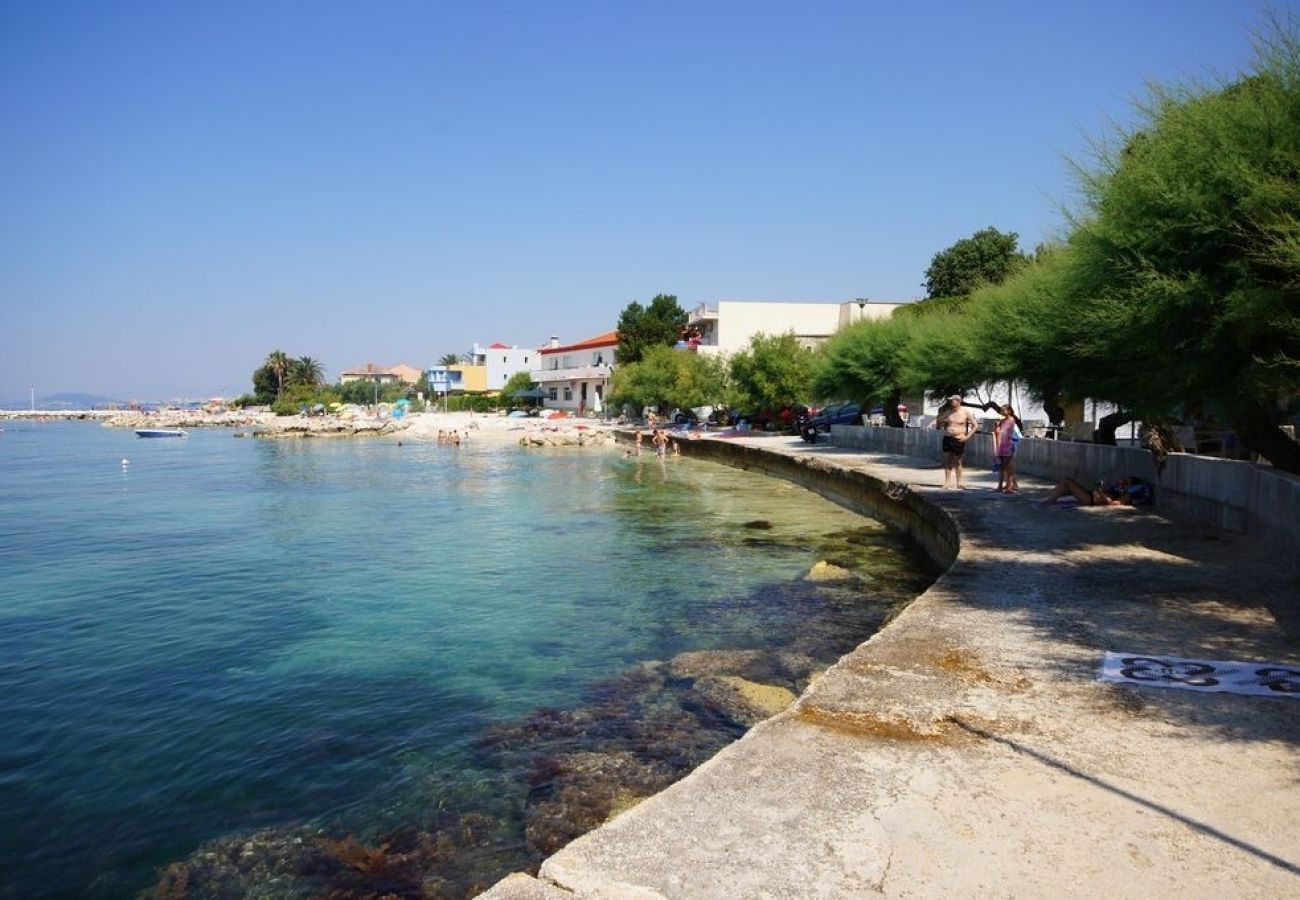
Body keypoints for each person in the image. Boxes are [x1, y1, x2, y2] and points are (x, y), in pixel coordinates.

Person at [934, 395, 980, 489]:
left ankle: (959, 482)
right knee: (947, 461)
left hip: (959, 438)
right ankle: (947, 482)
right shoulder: (948, 412)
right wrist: (942, 419)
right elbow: (939, 420)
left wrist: (967, 437)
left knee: (958, 461)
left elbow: (975, 426)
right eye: (950, 401)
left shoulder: (965, 412)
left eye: (953, 401)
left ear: (958, 401)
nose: (951, 402)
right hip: (947, 437)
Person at [1039, 476, 1153, 507]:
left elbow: (1113, 504)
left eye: (1126, 481)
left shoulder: (1126, 495)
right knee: (1066, 486)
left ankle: (1051, 500)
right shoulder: (1119, 488)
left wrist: (1100, 492)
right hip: (1091, 494)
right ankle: (1052, 497)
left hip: (1091, 499)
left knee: (1068, 481)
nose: (1122, 481)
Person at [993, 404, 1022, 493]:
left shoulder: (1011, 420)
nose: (1002, 412)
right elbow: (997, 432)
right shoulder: (1002, 421)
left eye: (1004, 410)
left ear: (1009, 411)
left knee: (1008, 466)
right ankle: (1000, 486)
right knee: (1001, 467)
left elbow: (1008, 432)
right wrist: (997, 425)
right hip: (1001, 445)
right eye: (1001, 410)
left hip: (1008, 445)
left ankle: (1009, 486)